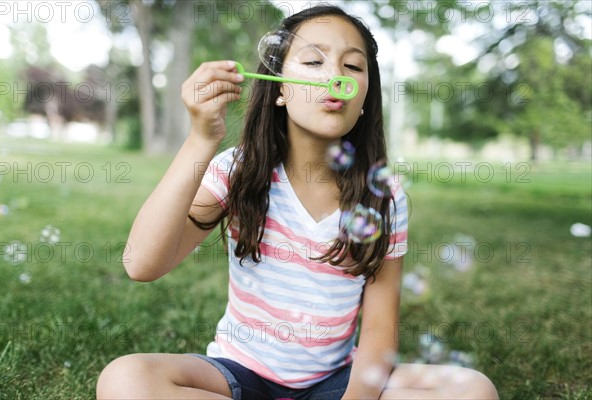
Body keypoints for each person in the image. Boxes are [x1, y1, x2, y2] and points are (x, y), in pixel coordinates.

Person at [97, 5, 499, 400]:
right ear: (279, 90)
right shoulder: (240, 170)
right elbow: (141, 264)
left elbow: (379, 327)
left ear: (363, 100)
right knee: (125, 379)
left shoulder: (384, 195)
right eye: (313, 61)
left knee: (473, 390)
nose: (334, 76)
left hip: (336, 382)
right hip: (239, 373)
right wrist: (201, 138)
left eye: (353, 67)